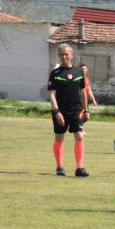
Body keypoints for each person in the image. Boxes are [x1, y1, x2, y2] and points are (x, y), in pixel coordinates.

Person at [47, 44, 88, 177]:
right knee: (59, 137)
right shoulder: (55, 74)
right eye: (61, 54)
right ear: (58, 56)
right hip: (61, 110)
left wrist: (86, 110)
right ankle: (59, 167)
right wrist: (56, 111)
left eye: (66, 54)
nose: (64, 57)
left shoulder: (79, 72)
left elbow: (83, 92)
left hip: (76, 109)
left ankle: (79, 168)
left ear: (72, 55)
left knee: (79, 135)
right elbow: (52, 94)